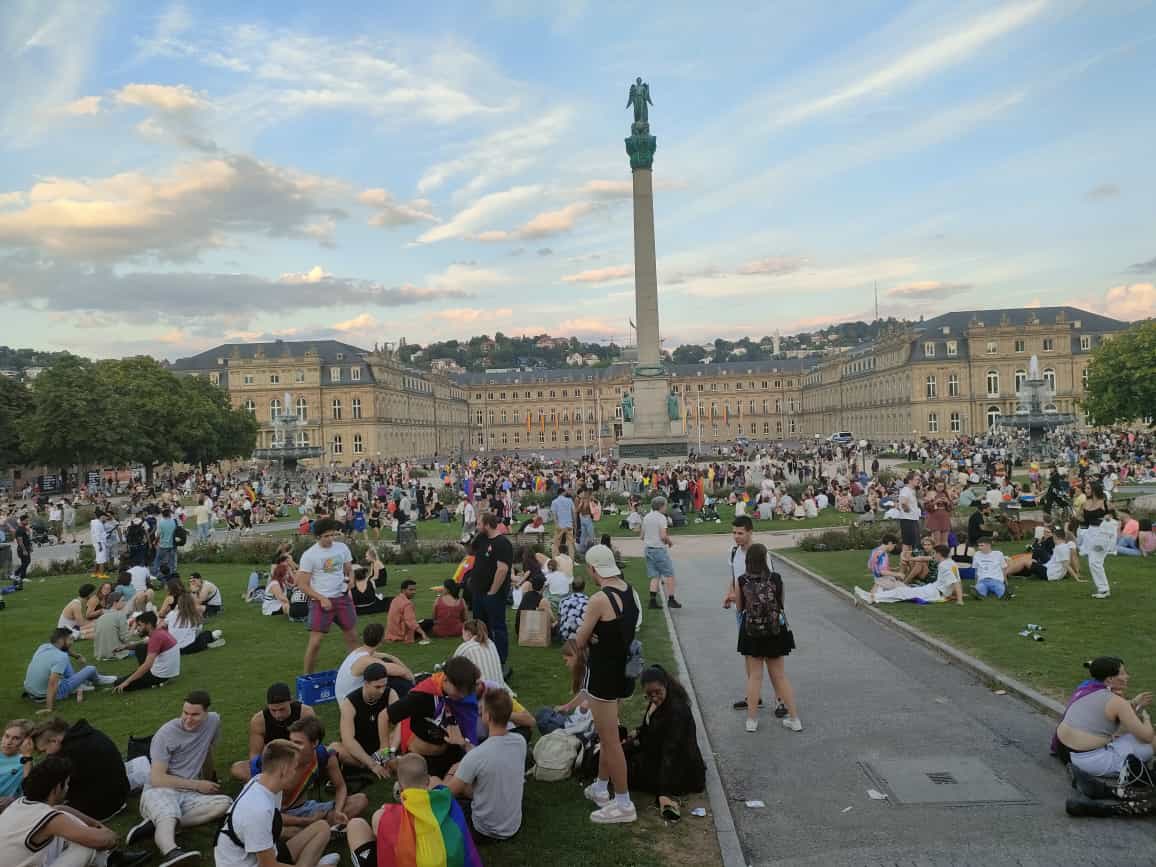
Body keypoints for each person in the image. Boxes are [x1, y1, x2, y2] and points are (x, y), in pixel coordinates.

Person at [126, 691, 232, 867]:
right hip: (159, 789)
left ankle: (156, 824)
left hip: (189, 794)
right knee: (168, 812)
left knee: (225, 803)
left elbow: (206, 750)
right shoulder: (166, 734)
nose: (188, 719)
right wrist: (198, 784)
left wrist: (211, 778)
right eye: (185, 713)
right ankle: (171, 852)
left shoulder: (213, 721)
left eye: (195, 714)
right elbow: (157, 778)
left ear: (206, 713)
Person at [575, 543, 638, 823]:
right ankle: (601, 787)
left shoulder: (599, 599)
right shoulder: (631, 591)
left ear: (592, 569)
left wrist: (591, 638)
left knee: (610, 740)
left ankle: (623, 803)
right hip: (622, 671)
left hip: (602, 674)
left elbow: (578, 640)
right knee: (607, 733)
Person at [212, 739, 338, 867]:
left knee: (322, 828)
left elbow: (273, 820)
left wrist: (306, 821)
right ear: (283, 770)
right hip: (246, 863)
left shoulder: (263, 783)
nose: (296, 773)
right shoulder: (258, 811)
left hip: (264, 854)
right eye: (295, 768)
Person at [345, 753, 481, 867]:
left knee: (355, 825)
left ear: (401, 787)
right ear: (427, 780)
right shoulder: (449, 802)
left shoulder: (386, 816)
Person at [0, 756, 132, 867]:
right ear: (57, 787)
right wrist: (109, 834)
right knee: (86, 846)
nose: (68, 788)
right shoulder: (49, 817)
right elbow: (101, 841)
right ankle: (110, 860)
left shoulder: (20, 803)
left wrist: (95, 824)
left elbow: (60, 810)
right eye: (67, 783)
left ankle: (111, 860)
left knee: (69, 826)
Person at [246, 717, 367, 833]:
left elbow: (341, 787)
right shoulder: (280, 760)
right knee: (273, 827)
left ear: (315, 743)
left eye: (298, 743)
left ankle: (316, 831)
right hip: (275, 814)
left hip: (304, 808)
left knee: (360, 800)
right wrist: (307, 821)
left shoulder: (324, 756)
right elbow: (267, 812)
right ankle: (319, 830)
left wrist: (338, 811)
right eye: (291, 741)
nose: (292, 747)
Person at [441, 687, 526, 842]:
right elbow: (491, 754)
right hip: (513, 825)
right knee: (468, 777)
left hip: (484, 830)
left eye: (480, 710)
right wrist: (464, 744)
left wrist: (448, 776)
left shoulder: (476, 756)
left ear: (487, 716)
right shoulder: (520, 742)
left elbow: (446, 794)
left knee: (444, 792)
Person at [733, 543, 802, 733]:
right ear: (765, 559)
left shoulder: (742, 580)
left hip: (752, 632)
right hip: (774, 631)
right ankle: (794, 719)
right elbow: (781, 604)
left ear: (748, 560)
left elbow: (740, 608)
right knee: (779, 676)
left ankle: (752, 721)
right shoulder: (777, 578)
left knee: (755, 677)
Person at [624, 666, 706, 820]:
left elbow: (671, 752)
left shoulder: (677, 711)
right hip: (659, 757)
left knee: (624, 768)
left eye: (657, 692)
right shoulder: (660, 702)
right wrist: (638, 732)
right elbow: (651, 727)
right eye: (649, 694)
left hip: (679, 771)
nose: (654, 697)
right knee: (620, 753)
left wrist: (663, 792)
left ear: (665, 685)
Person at [28, 717, 149, 821]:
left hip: (105, 806)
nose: (47, 754)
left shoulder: (69, 752)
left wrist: (26, 757)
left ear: (54, 740)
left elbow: (42, 787)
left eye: (45, 750)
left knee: (50, 813)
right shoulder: (87, 733)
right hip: (119, 793)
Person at [722, 517, 785, 717]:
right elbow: (734, 578)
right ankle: (753, 696)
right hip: (743, 614)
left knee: (771, 659)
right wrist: (729, 594)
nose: (736, 537)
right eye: (734, 533)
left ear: (750, 532)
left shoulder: (760, 554)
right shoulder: (734, 553)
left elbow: (771, 585)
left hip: (764, 616)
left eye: (740, 533)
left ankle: (780, 700)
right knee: (750, 658)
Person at [380, 657, 481, 779]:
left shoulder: (465, 695)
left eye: (466, 691)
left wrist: (464, 744)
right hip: (422, 760)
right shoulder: (423, 696)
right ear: (445, 679)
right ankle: (395, 766)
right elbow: (383, 717)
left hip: (449, 753)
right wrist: (386, 755)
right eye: (458, 691)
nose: (462, 695)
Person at [1056, 656, 1154, 779]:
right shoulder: (1117, 702)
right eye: (1123, 673)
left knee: (1125, 736)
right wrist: (1146, 719)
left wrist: (1134, 703)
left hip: (1064, 750)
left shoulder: (1087, 687)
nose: (1127, 676)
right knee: (1152, 740)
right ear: (1109, 679)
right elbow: (1147, 737)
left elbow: (1107, 710)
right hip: (1090, 761)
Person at [295, 518, 358, 674]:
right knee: (316, 642)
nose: (331, 539)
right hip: (320, 602)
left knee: (352, 637)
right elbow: (302, 584)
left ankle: (357, 672)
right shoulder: (310, 555)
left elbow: (349, 569)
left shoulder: (342, 548)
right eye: (326, 536)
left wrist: (351, 580)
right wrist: (321, 598)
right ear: (317, 537)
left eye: (333, 535)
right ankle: (307, 677)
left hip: (342, 599)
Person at [229, 683, 316, 782]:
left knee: (325, 753)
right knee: (237, 768)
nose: (278, 715)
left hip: (299, 758)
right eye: (273, 710)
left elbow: (311, 747)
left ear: (291, 701)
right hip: (274, 760)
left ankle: (279, 782)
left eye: (282, 709)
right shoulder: (259, 720)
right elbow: (255, 755)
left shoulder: (305, 713)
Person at [23, 629, 118, 712]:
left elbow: (65, 651)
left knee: (65, 658)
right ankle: (98, 680)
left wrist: (77, 656)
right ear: (60, 641)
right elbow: (52, 683)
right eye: (70, 639)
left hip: (32, 692)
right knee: (90, 669)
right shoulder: (60, 657)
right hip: (45, 695)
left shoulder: (43, 647)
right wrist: (49, 708)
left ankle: (79, 685)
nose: (72, 642)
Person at [335, 664, 393, 780]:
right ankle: (370, 765)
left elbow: (399, 726)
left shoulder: (391, 694)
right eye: (377, 687)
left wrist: (387, 751)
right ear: (366, 684)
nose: (382, 691)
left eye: (384, 686)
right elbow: (348, 739)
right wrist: (372, 764)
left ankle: (378, 763)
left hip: (382, 747)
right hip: (358, 750)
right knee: (335, 749)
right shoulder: (350, 703)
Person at [856, 545, 965, 605]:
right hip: (932, 589)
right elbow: (957, 580)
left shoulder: (944, 566)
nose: (933, 555)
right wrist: (910, 558)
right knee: (902, 593)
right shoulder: (950, 562)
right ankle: (874, 597)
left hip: (934, 592)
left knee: (902, 593)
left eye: (934, 553)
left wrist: (960, 600)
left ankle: (873, 596)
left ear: (939, 554)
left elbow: (955, 582)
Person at [469, 514, 512, 664]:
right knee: (480, 625)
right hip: (478, 591)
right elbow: (470, 552)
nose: (477, 526)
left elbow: (502, 570)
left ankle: (500, 659)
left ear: (487, 524)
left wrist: (492, 592)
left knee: (497, 626)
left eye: (479, 523)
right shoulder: (481, 539)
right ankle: (484, 655)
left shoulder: (502, 543)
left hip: (493, 594)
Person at [333, 624, 414, 702]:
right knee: (398, 682)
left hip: (345, 697)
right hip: (351, 703)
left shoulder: (358, 652)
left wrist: (392, 658)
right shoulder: (366, 660)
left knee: (386, 665)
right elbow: (403, 672)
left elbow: (387, 657)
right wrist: (412, 681)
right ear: (381, 640)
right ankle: (410, 699)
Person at [111, 612, 181, 693]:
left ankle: (159, 683)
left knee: (118, 684)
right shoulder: (160, 632)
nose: (137, 629)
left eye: (140, 625)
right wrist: (125, 647)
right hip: (170, 672)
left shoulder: (156, 637)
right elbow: (144, 642)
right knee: (140, 648)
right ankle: (146, 676)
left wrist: (127, 682)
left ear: (149, 625)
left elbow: (147, 665)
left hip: (160, 676)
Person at [641, 496, 680, 609]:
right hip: (659, 549)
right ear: (661, 506)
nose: (666, 507)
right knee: (669, 574)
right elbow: (663, 536)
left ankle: (652, 601)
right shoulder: (661, 518)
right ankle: (671, 599)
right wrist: (669, 542)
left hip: (648, 549)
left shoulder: (647, 517)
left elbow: (642, 536)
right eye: (665, 505)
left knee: (654, 575)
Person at [451, 621, 508, 689]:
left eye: (462, 632)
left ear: (467, 632)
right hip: (501, 691)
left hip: (480, 692)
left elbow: (451, 668)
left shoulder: (466, 647)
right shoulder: (491, 643)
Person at [165, 590, 225, 655]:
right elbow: (197, 633)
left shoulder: (171, 614)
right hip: (189, 648)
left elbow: (164, 625)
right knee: (205, 635)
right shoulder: (194, 616)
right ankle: (211, 639)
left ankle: (210, 639)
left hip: (173, 649)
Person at [385, 579, 427, 644]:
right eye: (411, 590)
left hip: (391, 633)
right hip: (402, 634)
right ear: (403, 590)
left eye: (414, 589)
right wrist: (423, 633)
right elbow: (411, 622)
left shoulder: (395, 599)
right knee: (428, 623)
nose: (414, 592)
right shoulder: (407, 604)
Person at [1, 719, 33, 798]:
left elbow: (28, 792)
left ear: (26, 741)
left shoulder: (25, 763)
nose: (8, 742)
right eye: (7, 736)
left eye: (16, 738)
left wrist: (27, 755)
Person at [896, 472, 922, 558]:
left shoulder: (913, 490)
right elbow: (903, 502)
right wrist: (907, 510)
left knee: (911, 545)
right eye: (917, 479)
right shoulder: (906, 490)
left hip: (913, 519)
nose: (919, 481)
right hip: (908, 520)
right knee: (907, 545)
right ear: (910, 480)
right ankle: (903, 566)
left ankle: (909, 564)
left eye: (919, 479)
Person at [557, 575, 588, 642]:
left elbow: (559, 619)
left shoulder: (563, 600)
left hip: (565, 636)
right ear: (584, 587)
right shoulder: (588, 602)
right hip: (581, 637)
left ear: (571, 587)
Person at [153, 508, 178, 576]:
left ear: (162, 515)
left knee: (158, 559)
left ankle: (155, 572)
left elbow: (159, 534)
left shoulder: (161, 523)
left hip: (163, 544)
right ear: (169, 514)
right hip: (172, 544)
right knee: (171, 561)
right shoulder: (173, 522)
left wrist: (155, 542)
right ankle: (171, 572)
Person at [550, 488, 575, 555]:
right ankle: (571, 562)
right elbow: (573, 513)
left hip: (560, 525)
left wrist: (556, 525)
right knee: (570, 544)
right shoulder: (569, 500)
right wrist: (574, 523)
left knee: (556, 544)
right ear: (563, 492)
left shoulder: (554, 501)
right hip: (569, 525)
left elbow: (554, 515)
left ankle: (555, 560)